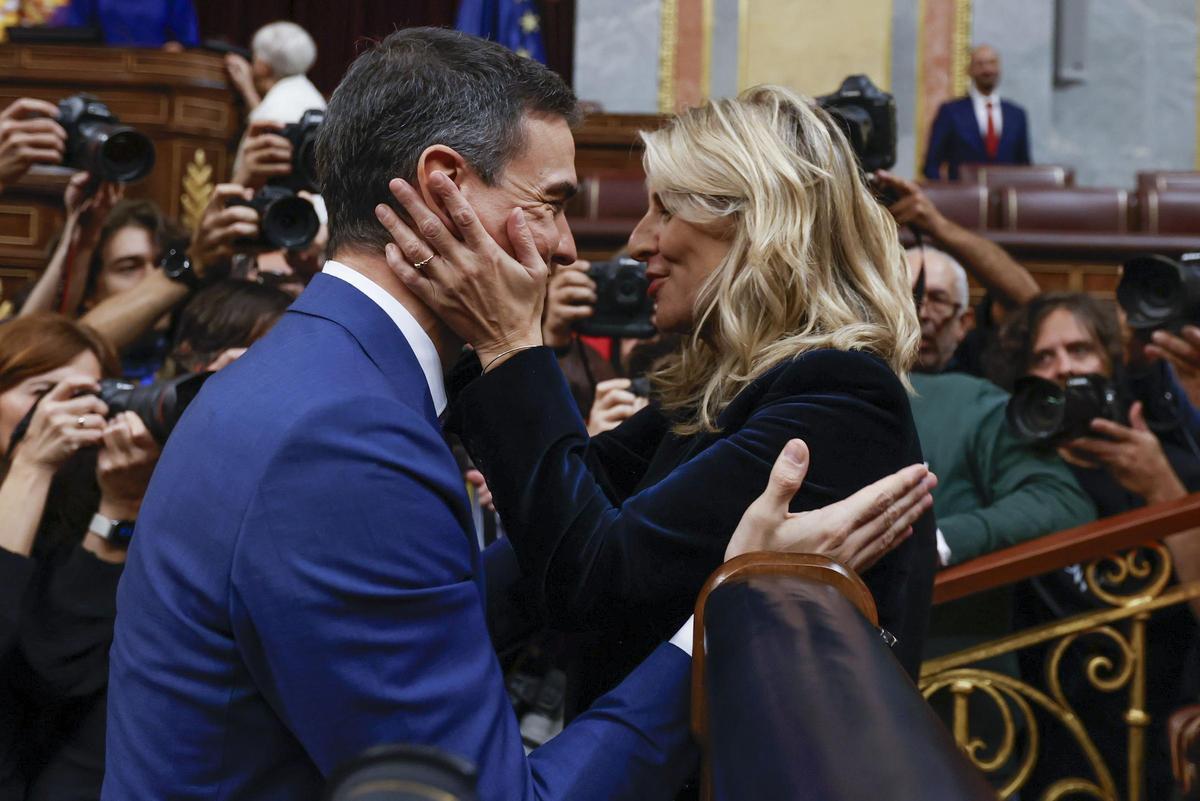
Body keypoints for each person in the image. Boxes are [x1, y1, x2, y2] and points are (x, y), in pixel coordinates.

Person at [103, 28, 935, 801]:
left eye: (664, 207)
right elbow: (560, 581)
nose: (588, 247)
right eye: (555, 202)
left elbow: (561, 570)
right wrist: (732, 606)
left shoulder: (309, 380)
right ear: (445, 190)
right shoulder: (343, 439)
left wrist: (511, 347)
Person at [378, 67, 939, 706]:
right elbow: (563, 522)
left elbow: (595, 581)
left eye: (664, 210)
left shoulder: (840, 396)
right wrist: (388, 651)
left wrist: (511, 342)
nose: (637, 241)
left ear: (758, 224)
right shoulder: (717, 387)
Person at [991, 292, 1200, 799]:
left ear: (1110, 363)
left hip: (1157, 717)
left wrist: (1160, 488)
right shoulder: (1015, 475)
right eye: (1044, 357)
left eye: (1080, 350)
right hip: (1047, 728)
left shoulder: (1177, 465)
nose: (1062, 367)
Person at [0, 314, 159, 800]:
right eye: (42, 392)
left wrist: (119, 507)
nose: (62, 414)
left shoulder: (90, 498)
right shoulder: (32, 474)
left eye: (86, 396)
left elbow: (61, 670)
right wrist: (30, 463)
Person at [923, 44, 1031, 180]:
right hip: (963, 196)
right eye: (980, 64)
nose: (987, 69)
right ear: (969, 70)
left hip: (1006, 195)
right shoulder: (950, 112)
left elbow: (1025, 166)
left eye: (992, 63)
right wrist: (946, 195)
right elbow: (931, 165)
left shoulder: (1016, 115)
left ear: (999, 68)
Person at [225, 21, 326, 124]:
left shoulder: (276, 108)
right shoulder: (312, 96)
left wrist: (247, 87)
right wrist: (247, 87)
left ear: (263, 66)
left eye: (255, 56)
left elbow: (263, 124)